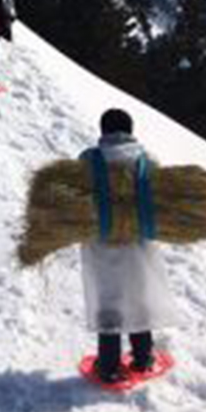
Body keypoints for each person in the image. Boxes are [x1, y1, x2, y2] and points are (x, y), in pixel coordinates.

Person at [80, 108, 179, 383]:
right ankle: (143, 358)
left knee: (108, 301)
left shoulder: (89, 159)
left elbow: (75, 197)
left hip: (102, 244)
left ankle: (109, 366)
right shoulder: (146, 160)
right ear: (130, 130)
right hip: (138, 244)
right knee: (138, 298)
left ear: (103, 131)